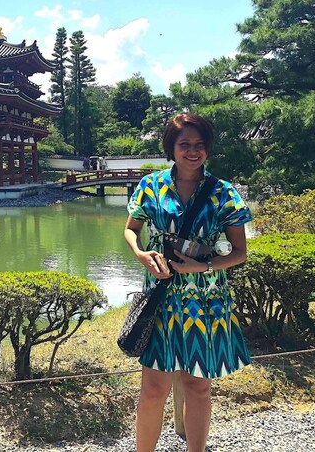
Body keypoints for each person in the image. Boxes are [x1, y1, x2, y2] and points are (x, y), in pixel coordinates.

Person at [124, 113, 252, 452]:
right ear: (172, 148)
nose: (192, 151)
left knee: (198, 386)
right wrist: (140, 254)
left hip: (206, 298)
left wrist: (203, 265)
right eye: (184, 145)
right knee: (153, 388)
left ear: (207, 149)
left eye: (199, 145)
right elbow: (130, 229)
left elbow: (239, 252)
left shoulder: (223, 192)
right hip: (161, 295)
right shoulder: (150, 185)